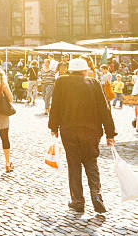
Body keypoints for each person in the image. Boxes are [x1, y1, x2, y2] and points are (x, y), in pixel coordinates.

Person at [48, 58, 116, 214]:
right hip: (91, 132)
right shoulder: (94, 83)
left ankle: (77, 201)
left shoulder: (61, 81)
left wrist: (53, 127)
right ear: (85, 70)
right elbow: (104, 110)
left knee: (74, 165)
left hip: (69, 130)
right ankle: (96, 196)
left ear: (70, 70)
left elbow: (55, 105)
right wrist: (110, 133)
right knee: (91, 162)